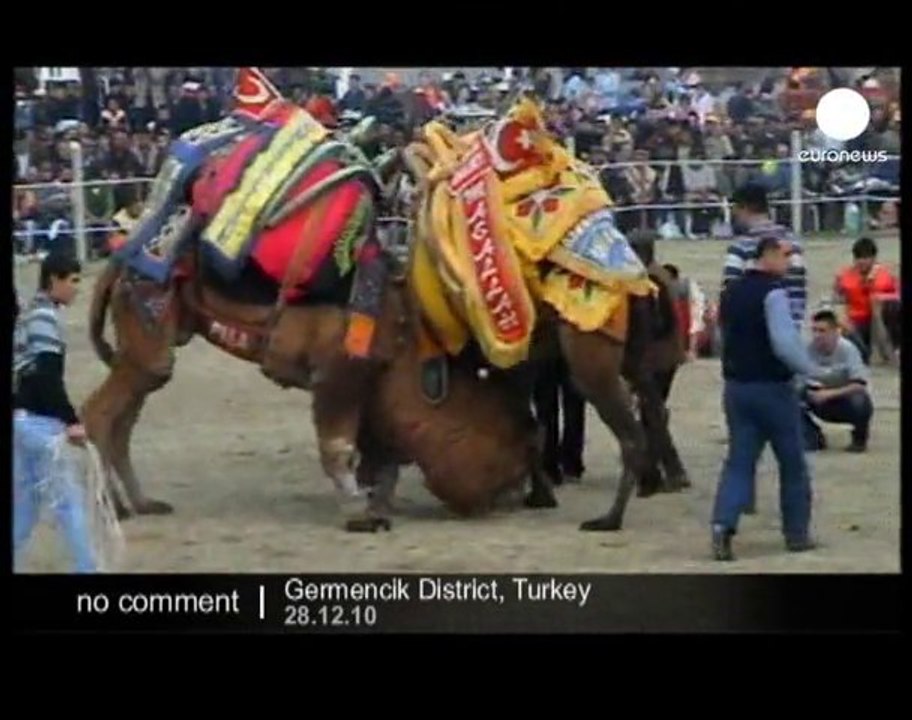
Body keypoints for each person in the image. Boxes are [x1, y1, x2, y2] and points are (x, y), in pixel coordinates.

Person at [711, 236, 822, 561]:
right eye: (786, 256)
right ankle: (796, 534)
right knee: (792, 463)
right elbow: (784, 343)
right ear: (769, 255)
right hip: (772, 388)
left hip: (736, 387)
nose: (790, 263)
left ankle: (722, 525)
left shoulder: (731, 292)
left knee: (739, 462)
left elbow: (720, 337)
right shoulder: (774, 293)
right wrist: (810, 371)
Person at [13, 251, 96, 573]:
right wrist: (71, 421)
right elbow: (46, 376)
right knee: (68, 503)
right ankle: (87, 570)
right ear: (54, 280)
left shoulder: (32, 314)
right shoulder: (44, 318)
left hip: (22, 420)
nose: (77, 288)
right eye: (72, 280)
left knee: (27, 505)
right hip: (39, 424)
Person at [722, 183, 806, 328]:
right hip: (790, 326)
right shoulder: (792, 244)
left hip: (752, 331)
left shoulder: (741, 247)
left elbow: (729, 295)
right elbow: (798, 291)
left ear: (742, 208)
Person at [801, 309, 873, 453]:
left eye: (822, 331)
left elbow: (860, 384)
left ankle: (859, 439)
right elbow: (797, 379)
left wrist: (829, 394)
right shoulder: (807, 349)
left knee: (861, 401)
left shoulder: (848, 349)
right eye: (814, 330)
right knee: (789, 397)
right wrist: (809, 391)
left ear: (835, 332)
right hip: (817, 399)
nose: (817, 335)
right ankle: (812, 437)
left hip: (844, 400)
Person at [832, 236, 900, 365]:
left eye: (866, 257)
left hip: (880, 319)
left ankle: (891, 350)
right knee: (858, 353)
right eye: (858, 258)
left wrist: (881, 298)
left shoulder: (886, 276)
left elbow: (898, 296)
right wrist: (843, 320)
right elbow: (836, 300)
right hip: (856, 321)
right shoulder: (844, 276)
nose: (862, 261)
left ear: (874, 258)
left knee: (888, 307)